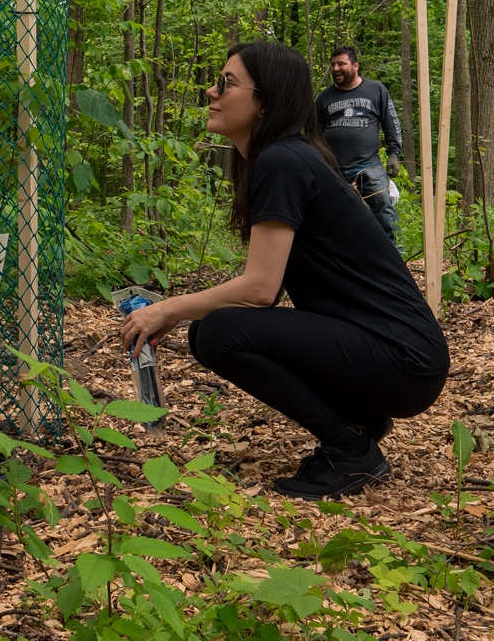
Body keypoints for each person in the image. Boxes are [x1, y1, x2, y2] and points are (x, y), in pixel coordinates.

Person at [120, 42, 448, 500]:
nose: (211, 91)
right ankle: (361, 421)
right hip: (400, 356)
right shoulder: (283, 158)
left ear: (266, 101)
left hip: (401, 359)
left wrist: (168, 310)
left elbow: (259, 290)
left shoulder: (282, 160)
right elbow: (266, 293)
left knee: (216, 333)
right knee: (217, 327)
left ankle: (351, 450)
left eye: (228, 83)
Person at [316, 45, 404, 245]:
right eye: (333, 65)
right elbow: (315, 134)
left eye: (341, 64)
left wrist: (393, 154)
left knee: (383, 208)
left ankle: (395, 257)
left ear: (355, 66)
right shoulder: (324, 97)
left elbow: (392, 123)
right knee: (331, 216)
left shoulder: (375, 90)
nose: (336, 69)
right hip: (333, 168)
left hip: (368, 165)